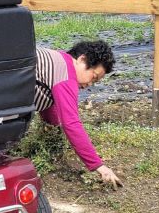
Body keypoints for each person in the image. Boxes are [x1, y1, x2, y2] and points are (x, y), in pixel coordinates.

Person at [34, 40, 122, 190]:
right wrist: (98, 165)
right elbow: (71, 123)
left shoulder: (57, 60)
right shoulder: (66, 74)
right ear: (82, 59)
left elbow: (48, 105)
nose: (89, 84)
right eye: (93, 77)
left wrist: (52, 134)